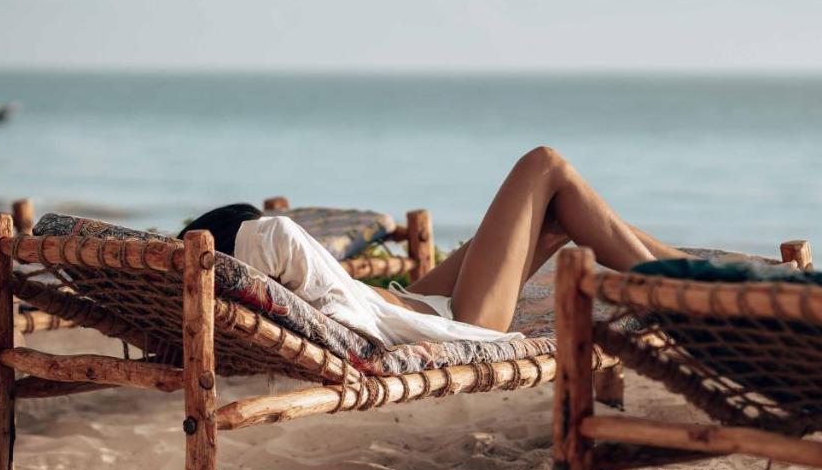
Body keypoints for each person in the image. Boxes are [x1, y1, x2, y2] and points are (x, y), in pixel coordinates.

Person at [180, 146, 692, 346]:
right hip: (457, 318)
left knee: (556, 215)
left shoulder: (284, 291)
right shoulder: (270, 257)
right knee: (545, 164)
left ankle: (685, 267)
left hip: (416, 300)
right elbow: (276, 236)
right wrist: (225, 238)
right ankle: (686, 290)